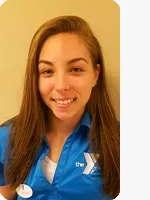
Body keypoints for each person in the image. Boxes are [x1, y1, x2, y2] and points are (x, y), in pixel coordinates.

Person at [0, 15, 120, 200]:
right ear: (36, 78)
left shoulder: (122, 141)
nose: (61, 86)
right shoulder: (6, 138)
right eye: (47, 71)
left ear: (96, 74)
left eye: (76, 69)